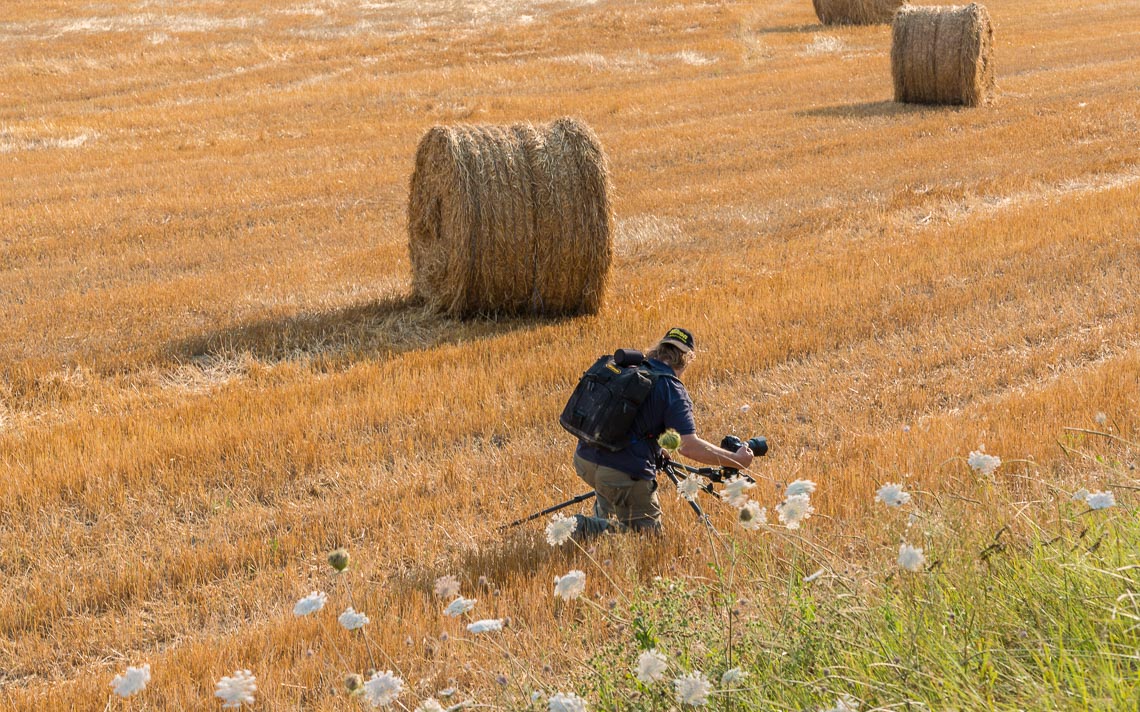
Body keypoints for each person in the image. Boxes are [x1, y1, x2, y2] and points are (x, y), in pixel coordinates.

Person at [572, 327, 755, 536]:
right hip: (620, 471)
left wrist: (655, 451)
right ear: (687, 358)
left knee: (612, 507)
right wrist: (736, 459)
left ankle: (598, 526)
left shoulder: (633, 370)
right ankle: (584, 528)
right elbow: (689, 447)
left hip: (585, 459)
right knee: (648, 538)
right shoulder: (671, 388)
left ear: (659, 349)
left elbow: (629, 420)